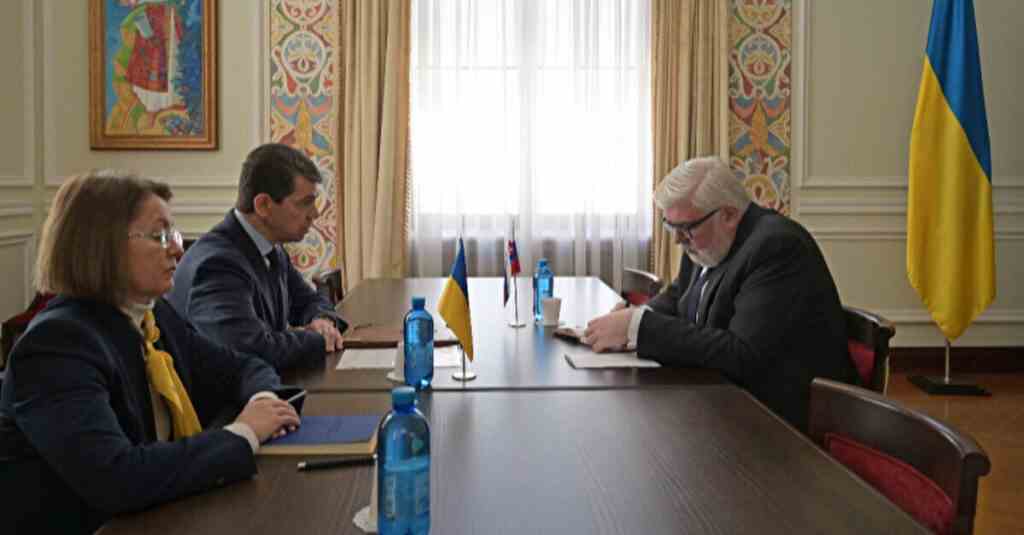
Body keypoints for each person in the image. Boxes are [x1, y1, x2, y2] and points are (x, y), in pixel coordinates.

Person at [0, 171, 301, 534]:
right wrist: (244, 432)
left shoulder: (153, 317)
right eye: (159, 236)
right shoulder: (57, 345)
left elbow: (242, 367)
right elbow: (117, 478)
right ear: (102, 245)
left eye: (174, 234)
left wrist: (264, 401)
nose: (177, 249)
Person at [584, 157, 858, 431]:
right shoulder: (706, 237)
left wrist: (638, 327)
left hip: (783, 422)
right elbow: (679, 296)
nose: (678, 240)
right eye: (671, 227)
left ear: (728, 215)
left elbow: (742, 354)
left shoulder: (776, 246)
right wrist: (634, 318)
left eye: (685, 228)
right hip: (725, 402)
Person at [168, 143, 347, 370]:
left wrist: (323, 321)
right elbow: (250, 351)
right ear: (263, 205)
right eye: (305, 203)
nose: (315, 213)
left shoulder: (271, 248)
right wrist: (317, 339)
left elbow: (309, 301)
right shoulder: (217, 264)